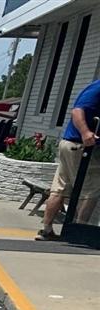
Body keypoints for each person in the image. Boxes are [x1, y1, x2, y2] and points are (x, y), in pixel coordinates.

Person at [38, 76, 100, 240]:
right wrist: (86, 132)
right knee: (90, 191)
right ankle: (80, 232)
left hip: (70, 145)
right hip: (80, 147)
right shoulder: (97, 88)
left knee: (60, 188)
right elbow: (77, 111)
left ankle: (46, 230)